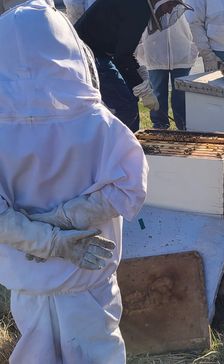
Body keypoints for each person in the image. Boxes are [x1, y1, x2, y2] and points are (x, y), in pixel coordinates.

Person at [0, 1, 148, 362]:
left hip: (29, 280)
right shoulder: (99, 124)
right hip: (89, 280)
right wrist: (64, 223)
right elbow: (130, 186)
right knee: (98, 351)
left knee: (36, 352)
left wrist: (48, 236)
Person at [63, 0, 193, 132]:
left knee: (130, 98)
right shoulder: (138, 8)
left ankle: (127, 142)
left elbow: (124, 53)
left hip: (96, 52)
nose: (170, 11)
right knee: (125, 107)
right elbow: (122, 56)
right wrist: (143, 89)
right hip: (87, 54)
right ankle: (118, 147)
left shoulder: (138, 5)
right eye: (170, 5)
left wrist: (140, 78)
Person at [136, 15, 198, 130]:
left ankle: (184, 125)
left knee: (181, 94)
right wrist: (140, 47)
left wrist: (193, 45)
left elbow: (194, 18)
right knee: (157, 94)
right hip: (154, 52)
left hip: (181, 51)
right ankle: (160, 126)